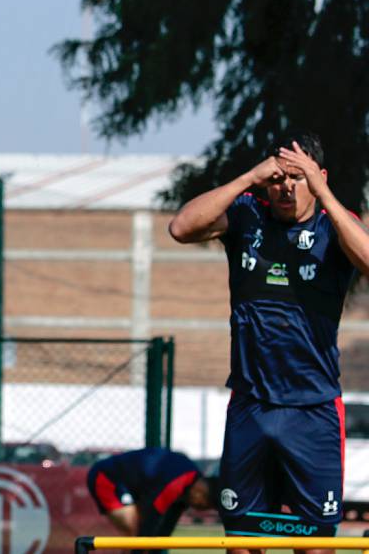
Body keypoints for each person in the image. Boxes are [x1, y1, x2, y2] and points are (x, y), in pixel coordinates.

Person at [169, 131, 369, 553]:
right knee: (242, 542)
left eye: (297, 178)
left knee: (314, 544)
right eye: (278, 178)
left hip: (312, 410)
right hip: (250, 406)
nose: (285, 188)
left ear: (316, 179)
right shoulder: (247, 215)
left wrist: (323, 191)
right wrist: (248, 177)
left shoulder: (334, 225)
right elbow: (181, 227)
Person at [86, 448, 212, 550]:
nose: (198, 507)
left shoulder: (186, 488)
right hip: (107, 478)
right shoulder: (177, 483)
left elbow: (165, 531)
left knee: (139, 536)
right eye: (202, 504)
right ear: (199, 493)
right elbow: (151, 519)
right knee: (136, 532)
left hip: (133, 485)